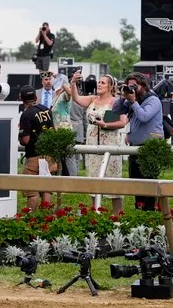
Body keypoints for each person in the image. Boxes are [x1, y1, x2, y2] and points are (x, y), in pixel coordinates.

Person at [67, 70, 124, 215]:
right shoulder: (92, 99)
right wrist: (73, 82)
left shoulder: (116, 102)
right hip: (92, 145)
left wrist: (105, 124)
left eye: (103, 83)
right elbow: (76, 99)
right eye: (99, 82)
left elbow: (122, 122)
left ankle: (117, 214)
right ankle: (95, 212)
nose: (99, 84)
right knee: (93, 178)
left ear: (111, 87)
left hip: (110, 144)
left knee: (113, 181)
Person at [118, 73, 165, 211]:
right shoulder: (132, 100)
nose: (132, 88)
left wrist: (133, 101)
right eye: (129, 85)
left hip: (150, 146)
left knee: (149, 182)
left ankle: (149, 211)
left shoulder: (153, 100)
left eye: (134, 85)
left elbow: (144, 116)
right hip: (135, 146)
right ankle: (139, 210)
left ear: (143, 86)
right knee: (136, 182)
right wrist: (122, 97)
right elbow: (116, 111)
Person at [17, 85, 54, 210]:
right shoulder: (46, 110)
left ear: (21, 98)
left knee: (32, 192)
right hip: (49, 156)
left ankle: (31, 219)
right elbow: (53, 131)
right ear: (36, 97)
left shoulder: (26, 115)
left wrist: (20, 136)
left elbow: (25, 140)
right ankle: (46, 218)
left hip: (33, 157)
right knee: (47, 189)